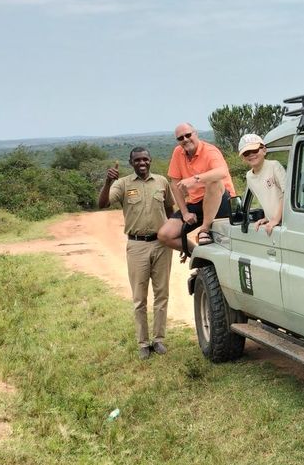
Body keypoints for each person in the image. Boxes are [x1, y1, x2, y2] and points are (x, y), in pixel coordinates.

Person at [99, 147, 177, 359]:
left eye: (145, 159)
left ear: (150, 160)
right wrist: (107, 182)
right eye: (137, 160)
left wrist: (176, 238)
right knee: (139, 298)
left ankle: (159, 340)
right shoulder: (122, 184)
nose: (142, 163)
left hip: (161, 245)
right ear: (131, 162)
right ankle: (143, 343)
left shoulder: (161, 182)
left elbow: (171, 211)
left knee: (162, 294)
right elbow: (102, 203)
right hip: (136, 246)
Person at [160, 123, 236, 255]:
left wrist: (195, 179)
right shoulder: (178, 152)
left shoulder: (210, 151)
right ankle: (200, 256)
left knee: (213, 181)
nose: (185, 139)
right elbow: (175, 184)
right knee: (165, 235)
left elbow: (222, 172)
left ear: (196, 134)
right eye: (180, 138)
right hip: (196, 202)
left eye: (188, 135)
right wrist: (184, 213)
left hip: (221, 201)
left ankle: (204, 229)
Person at [238, 133, 286, 235]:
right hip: (273, 225)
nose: (251, 154)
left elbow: (286, 195)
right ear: (243, 158)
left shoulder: (274, 166)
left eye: (255, 150)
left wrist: (276, 220)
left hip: (286, 223)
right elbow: (264, 198)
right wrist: (267, 218)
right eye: (246, 153)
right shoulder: (249, 176)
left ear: (264, 150)